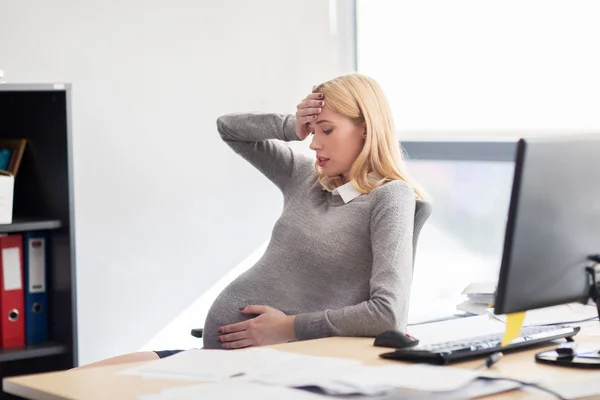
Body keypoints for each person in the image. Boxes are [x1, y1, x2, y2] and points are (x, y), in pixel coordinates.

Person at [75, 73, 428, 369]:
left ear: (364, 129)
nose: (314, 144)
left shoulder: (389, 196)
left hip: (271, 366)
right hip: (218, 360)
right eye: (313, 130)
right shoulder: (305, 177)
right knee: (72, 381)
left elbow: (387, 314)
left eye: (327, 130)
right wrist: (291, 125)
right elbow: (229, 128)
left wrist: (288, 327)